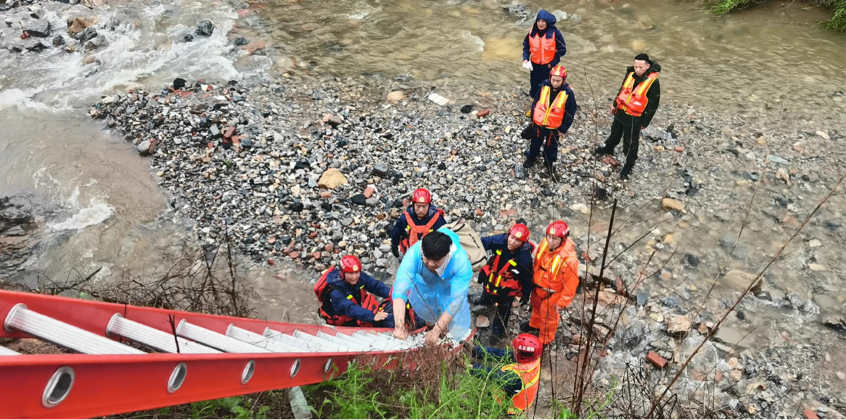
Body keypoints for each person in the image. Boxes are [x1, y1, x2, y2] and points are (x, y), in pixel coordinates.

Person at [391, 229, 473, 345]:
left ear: (447, 255)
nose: (430, 264)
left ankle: (448, 337)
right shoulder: (414, 254)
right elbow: (400, 291)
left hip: (448, 289)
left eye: (436, 261)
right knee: (427, 310)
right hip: (425, 287)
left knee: (452, 324)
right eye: (426, 258)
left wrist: (437, 331)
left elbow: (456, 300)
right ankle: (430, 325)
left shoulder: (460, 263)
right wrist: (399, 327)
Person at [594, 53, 662, 180]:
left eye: (640, 67)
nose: (637, 70)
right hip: (621, 110)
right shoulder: (630, 73)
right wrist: (615, 104)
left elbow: (653, 104)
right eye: (636, 66)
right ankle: (609, 148)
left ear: (647, 66)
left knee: (630, 141)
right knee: (614, 132)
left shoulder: (653, 82)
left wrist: (645, 122)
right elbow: (622, 89)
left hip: (635, 116)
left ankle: (629, 163)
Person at [315, 255, 422, 328]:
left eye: (357, 272)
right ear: (343, 273)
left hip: (357, 310)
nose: (355, 276)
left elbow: (375, 286)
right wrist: (372, 316)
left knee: (400, 302)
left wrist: (394, 295)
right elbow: (350, 309)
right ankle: (407, 327)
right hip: (344, 319)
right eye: (351, 273)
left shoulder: (359, 277)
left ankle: (420, 321)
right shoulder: (335, 292)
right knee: (386, 320)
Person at [521, 221, 579, 346]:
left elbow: (571, 284)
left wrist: (562, 303)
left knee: (549, 318)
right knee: (536, 308)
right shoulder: (544, 244)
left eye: (554, 238)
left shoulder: (569, 260)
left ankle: (545, 340)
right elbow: (537, 264)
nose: (550, 241)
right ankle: (535, 325)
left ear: (563, 239)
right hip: (538, 286)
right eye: (549, 236)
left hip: (553, 293)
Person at [475, 223, 535, 344]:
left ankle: (497, 333)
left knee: (503, 311)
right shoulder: (499, 240)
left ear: (523, 243)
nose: (512, 242)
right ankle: (485, 301)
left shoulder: (525, 258)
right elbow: (480, 242)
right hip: (492, 278)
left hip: (506, 289)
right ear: (508, 234)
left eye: (517, 240)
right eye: (512, 237)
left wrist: (525, 295)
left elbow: (528, 278)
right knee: (486, 292)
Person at [524, 65, 577, 177]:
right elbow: (535, 104)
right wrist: (533, 119)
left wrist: (563, 129)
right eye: (553, 80)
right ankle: (532, 157)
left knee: (551, 147)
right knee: (535, 143)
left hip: (554, 127)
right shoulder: (543, 87)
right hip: (539, 124)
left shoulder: (568, 93)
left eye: (558, 81)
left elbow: (570, 113)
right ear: (550, 78)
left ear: (564, 80)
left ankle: (549, 162)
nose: (555, 83)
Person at [471, 334, 542, 415]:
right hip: (518, 398)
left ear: (521, 356)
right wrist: (476, 351)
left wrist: (472, 368)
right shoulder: (532, 359)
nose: (513, 350)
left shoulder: (516, 377)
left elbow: (491, 375)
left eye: (515, 350)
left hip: (509, 410)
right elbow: (502, 354)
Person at [522, 10, 566, 102]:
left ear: (547, 22)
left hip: (548, 66)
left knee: (547, 87)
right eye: (538, 21)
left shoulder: (555, 33)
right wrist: (525, 59)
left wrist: (553, 63)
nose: (540, 23)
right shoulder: (531, 33)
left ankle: (546, 106)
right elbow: (526, 47)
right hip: (534, 66)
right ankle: (535, 105)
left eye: (543, 21)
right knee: (534, 87)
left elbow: (562, 49)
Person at [391, 188, 447, 258]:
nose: (421, 210)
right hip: (410, 252)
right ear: (413, 204)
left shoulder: (437, 218)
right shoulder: (405, 218)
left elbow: (446, 237)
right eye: (418, 206)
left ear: (429, 205)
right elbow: (396, 233)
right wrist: (394, 247)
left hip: (430, 255)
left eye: (424, 206)